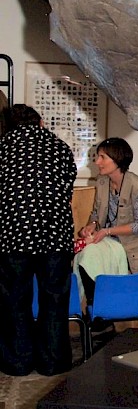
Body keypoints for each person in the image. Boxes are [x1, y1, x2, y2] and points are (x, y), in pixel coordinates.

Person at [0, 104, 76, 376]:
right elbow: (68, 190)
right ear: (40, 122)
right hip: (55, 235)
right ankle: (53, 362)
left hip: (12, 236)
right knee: (54, 299)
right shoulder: (60, 148)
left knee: (14, 300)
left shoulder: (3, 147)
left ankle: (17, 362)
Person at [76, 138, 138, 305]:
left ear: (118, 159)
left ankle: (100, 308)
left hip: (134, 247)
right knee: (85, 254)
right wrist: (91, 226)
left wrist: (107, 231)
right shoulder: (102, 181)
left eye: (102, 157)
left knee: (89, 255)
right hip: (109, 241)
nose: (97, 162)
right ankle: (96, 307)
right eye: (97, 157)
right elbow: (96, 213)